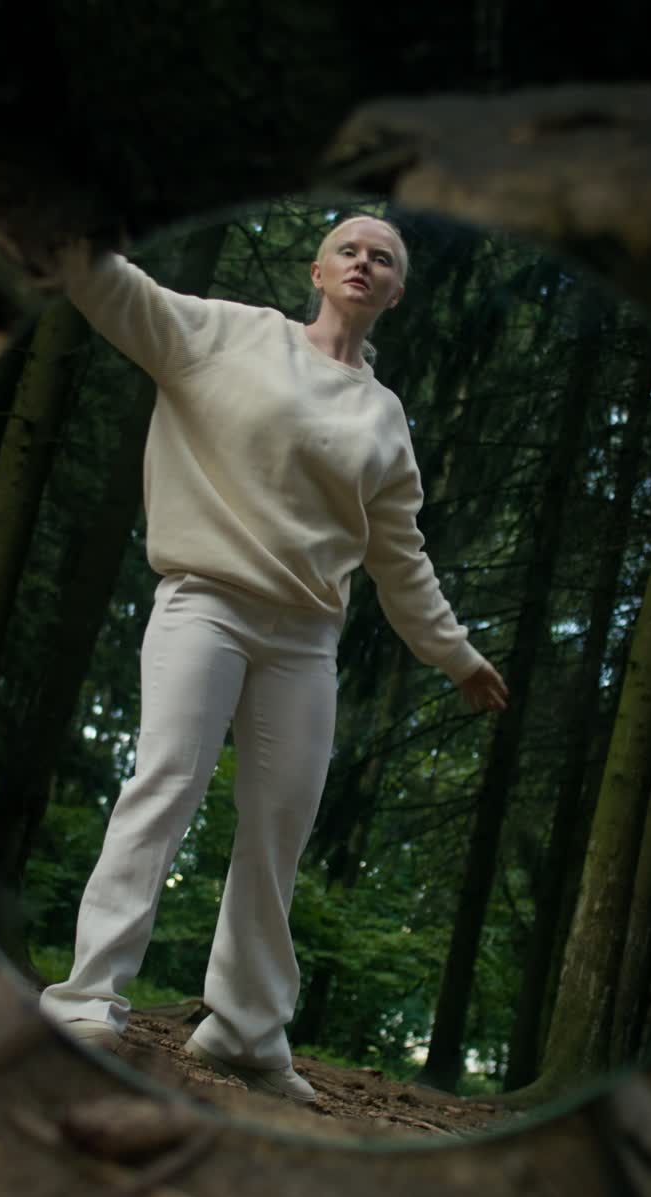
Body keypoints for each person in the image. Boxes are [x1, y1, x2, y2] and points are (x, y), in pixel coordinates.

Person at [39, 215, 509, 1104]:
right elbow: (119, 293)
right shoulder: (230, 334)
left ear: (396, 293)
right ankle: (88, 996)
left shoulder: (384, 416)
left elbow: (400, 558)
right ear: (318, 270)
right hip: (204, 603)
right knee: (165, 783)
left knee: (281, 828)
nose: (365, 262)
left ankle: (248, 1032)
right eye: (350, 249)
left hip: (305, 639)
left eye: (385, 258)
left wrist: (454, 655)